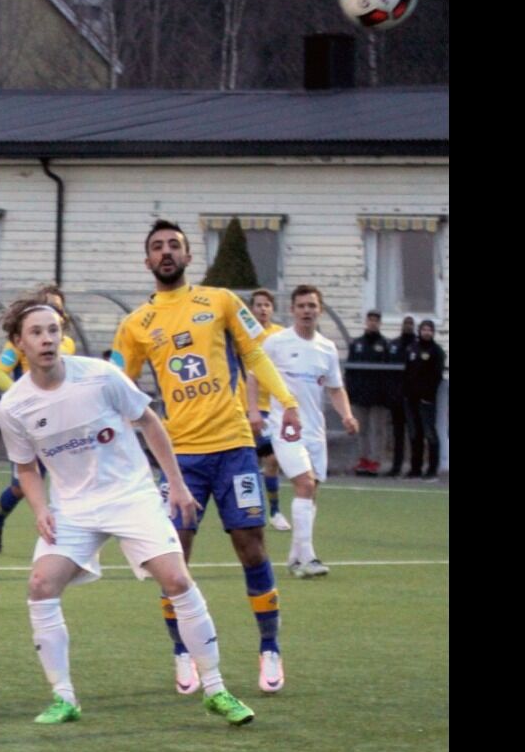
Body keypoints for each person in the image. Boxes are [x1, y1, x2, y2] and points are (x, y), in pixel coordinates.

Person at [0, 300, 255, 726]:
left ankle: (216, 689)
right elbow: (25, 466)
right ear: (18, 343)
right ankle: (64, 698)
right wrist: (40, 507)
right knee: (41, 584)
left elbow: (150, 422)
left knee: (176, 578)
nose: (47, 340)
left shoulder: (99, 376)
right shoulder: (15, 406)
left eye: (53, 330)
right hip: (74, 508)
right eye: (36, 333)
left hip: (131, 496)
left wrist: (175, 483)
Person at [110, 220, 302, 697]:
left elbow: (255, 356)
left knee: (251, 546)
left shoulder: (219, 301)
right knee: (172, 557)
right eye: (157, 246)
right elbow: (116, 388)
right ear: (147, 261)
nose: (166, 252)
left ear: (189, 255)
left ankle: (269, 646)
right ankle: (183, 652)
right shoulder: (136, 325)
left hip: (234, 446)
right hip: (181, 458)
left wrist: (287, 401)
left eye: (174, 244)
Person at [262, 286, 359, 578]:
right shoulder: (276, 342)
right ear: (292, 310)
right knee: (304, 483)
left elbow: (334, 388)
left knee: (312, 490)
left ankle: (295, 558)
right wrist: (255, 412)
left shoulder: (326, 347)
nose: (307, 310)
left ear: (319, 309)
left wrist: (347, 415)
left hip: (315, 430)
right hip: (285, 427)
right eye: (301, 305)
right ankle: (309, 558)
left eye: (312, 306)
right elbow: (254, 376)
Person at [0, 284, 74, 554]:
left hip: (60, 423)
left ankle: (73, 536)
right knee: (21, 486)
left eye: (58, 308)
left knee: (69, 478)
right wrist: (24, 397)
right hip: (30, 423)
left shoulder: (67, 344)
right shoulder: (19, 344)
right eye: (48, 305)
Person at [241, 289, 290, 532]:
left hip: (271, 409)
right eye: (258, 305)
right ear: (251, 310)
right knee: (247, 462)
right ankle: (249, 512)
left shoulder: (280, 335)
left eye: (267, 305)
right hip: (243, 407)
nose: (262, 309)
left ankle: (275, 511)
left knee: (271, 458)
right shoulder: (242, 335)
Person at [345, 310, 392, 476]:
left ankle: (375, 460)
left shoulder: (386, 345)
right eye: (370, 320)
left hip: (378, 397)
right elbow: (350, 370)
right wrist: (349, 391)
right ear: (366, 322)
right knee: (361, 429)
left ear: (379, 323)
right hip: (360, 395)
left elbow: (389, 373)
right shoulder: (357, 344)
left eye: (376, 320)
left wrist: (387, 394)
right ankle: (363, 459)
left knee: (377, 430)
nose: (372, 323)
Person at [403, 320, 446, 481]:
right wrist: (406, 393)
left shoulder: (437, 352)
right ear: (419, 331)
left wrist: (428, 395)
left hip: (426, 400)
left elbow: (437, 377)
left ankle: (432, 469)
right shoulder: (412, 349)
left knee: (430, 434)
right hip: (411, 399)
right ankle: (415, 468)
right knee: (415, 434)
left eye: (429, 330)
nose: (426, 332)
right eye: (424, 329)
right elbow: (407, 372)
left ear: (433, 332)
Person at [384, 316, 416, 477]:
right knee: (397, 433)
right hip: (396, 396)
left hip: (413, 397)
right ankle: (396, 466)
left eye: (411, 324)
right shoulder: (394, 345)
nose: (408, 327)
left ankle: (414, 467)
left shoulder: (417, 346)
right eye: (406, 324)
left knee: (415, 432)